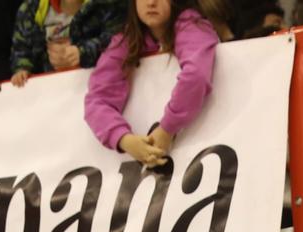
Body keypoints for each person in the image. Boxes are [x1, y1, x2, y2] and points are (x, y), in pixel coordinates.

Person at [84, 0, 216, 169]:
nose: (151, 2)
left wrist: (167, 129)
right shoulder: (125, 41)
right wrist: (124, 139)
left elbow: (196, 75)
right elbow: (97, 99)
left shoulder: (194, 26)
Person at [9, 0, 125, 88]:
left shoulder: (108, 3)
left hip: (97, 82)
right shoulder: (31, 8)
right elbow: (21, 48)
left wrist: (82, 52)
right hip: (51, 91)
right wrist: (22, 69)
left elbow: (117, 39)